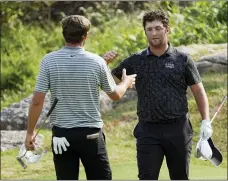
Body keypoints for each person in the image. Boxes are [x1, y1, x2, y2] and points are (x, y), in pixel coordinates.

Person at [103, 10, 212, 180]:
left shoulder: (183, 59)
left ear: (167, 30)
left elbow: (198, 91)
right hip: (148, 130)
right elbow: (111, 81)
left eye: (158, 28)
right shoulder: (136, 60)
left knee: (180, 177)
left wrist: (206, 121)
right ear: (145, 32)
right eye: (149, 29)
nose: (154, 33)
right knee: (147, 177)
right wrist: (103, 64)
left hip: (178, 129)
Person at [24, 15, 136, 180]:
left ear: (64, 34)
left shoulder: (48, 61)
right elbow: (115, 94)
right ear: (85, 36)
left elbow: (36, 101)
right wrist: (126, 82)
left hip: (62, 137)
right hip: (91, 136)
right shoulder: (96, 62)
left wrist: (30, 133)